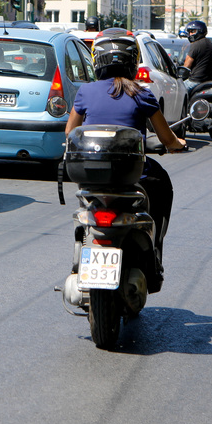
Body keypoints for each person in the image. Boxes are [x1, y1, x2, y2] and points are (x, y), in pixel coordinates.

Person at [66, 30, 186, 269]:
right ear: (133, 60)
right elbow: (166, 138)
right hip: (133, 174)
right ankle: (156, 249)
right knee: (162, 184)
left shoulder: (86, 92)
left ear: (97, 60)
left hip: (91, 173)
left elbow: (70, 133)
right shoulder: (141, 93)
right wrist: (177, 144)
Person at [181, 19, 212, 84]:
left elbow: (186, 66)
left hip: (195, 80)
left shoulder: (195, 45)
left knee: (178, 90)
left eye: (193, 31)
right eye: (189, 32)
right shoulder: (209, 43)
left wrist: (181, 74)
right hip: (208, 80)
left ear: (200, 31)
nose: (190, 34)